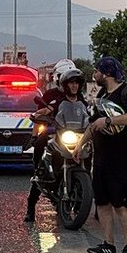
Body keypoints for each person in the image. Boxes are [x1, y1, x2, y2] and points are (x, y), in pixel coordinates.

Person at [75, 56, 127, 253]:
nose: (94, 75)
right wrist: (80, 144)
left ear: (106, 73)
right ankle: (108, 243)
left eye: (97, 71)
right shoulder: (103, 94)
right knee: (102, 202)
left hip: (121, 158)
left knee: (121, 205)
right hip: (101, 158)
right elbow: (94, 123)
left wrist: (111, 120)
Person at [24, 68, 87, 222]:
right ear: (65, 84)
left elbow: (89, 115)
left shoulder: (82, 101)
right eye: (71, 83)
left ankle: (87, 195)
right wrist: (38, 115)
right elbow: (47, 110)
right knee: (41, 148)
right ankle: (31, 207)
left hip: (78, 136)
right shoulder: (58, 100)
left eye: (77, 83)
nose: (74, 86)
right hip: (59, 133)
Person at [30, 58, 76, 169]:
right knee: (40, 142)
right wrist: (34, 135)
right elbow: (39, 115)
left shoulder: (77, 95)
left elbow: (85, 110)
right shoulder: (49, 95)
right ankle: (38, 170)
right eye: (64, 78)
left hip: (75, 129)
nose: (68, 82)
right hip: (54, 129)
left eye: (71, 79)